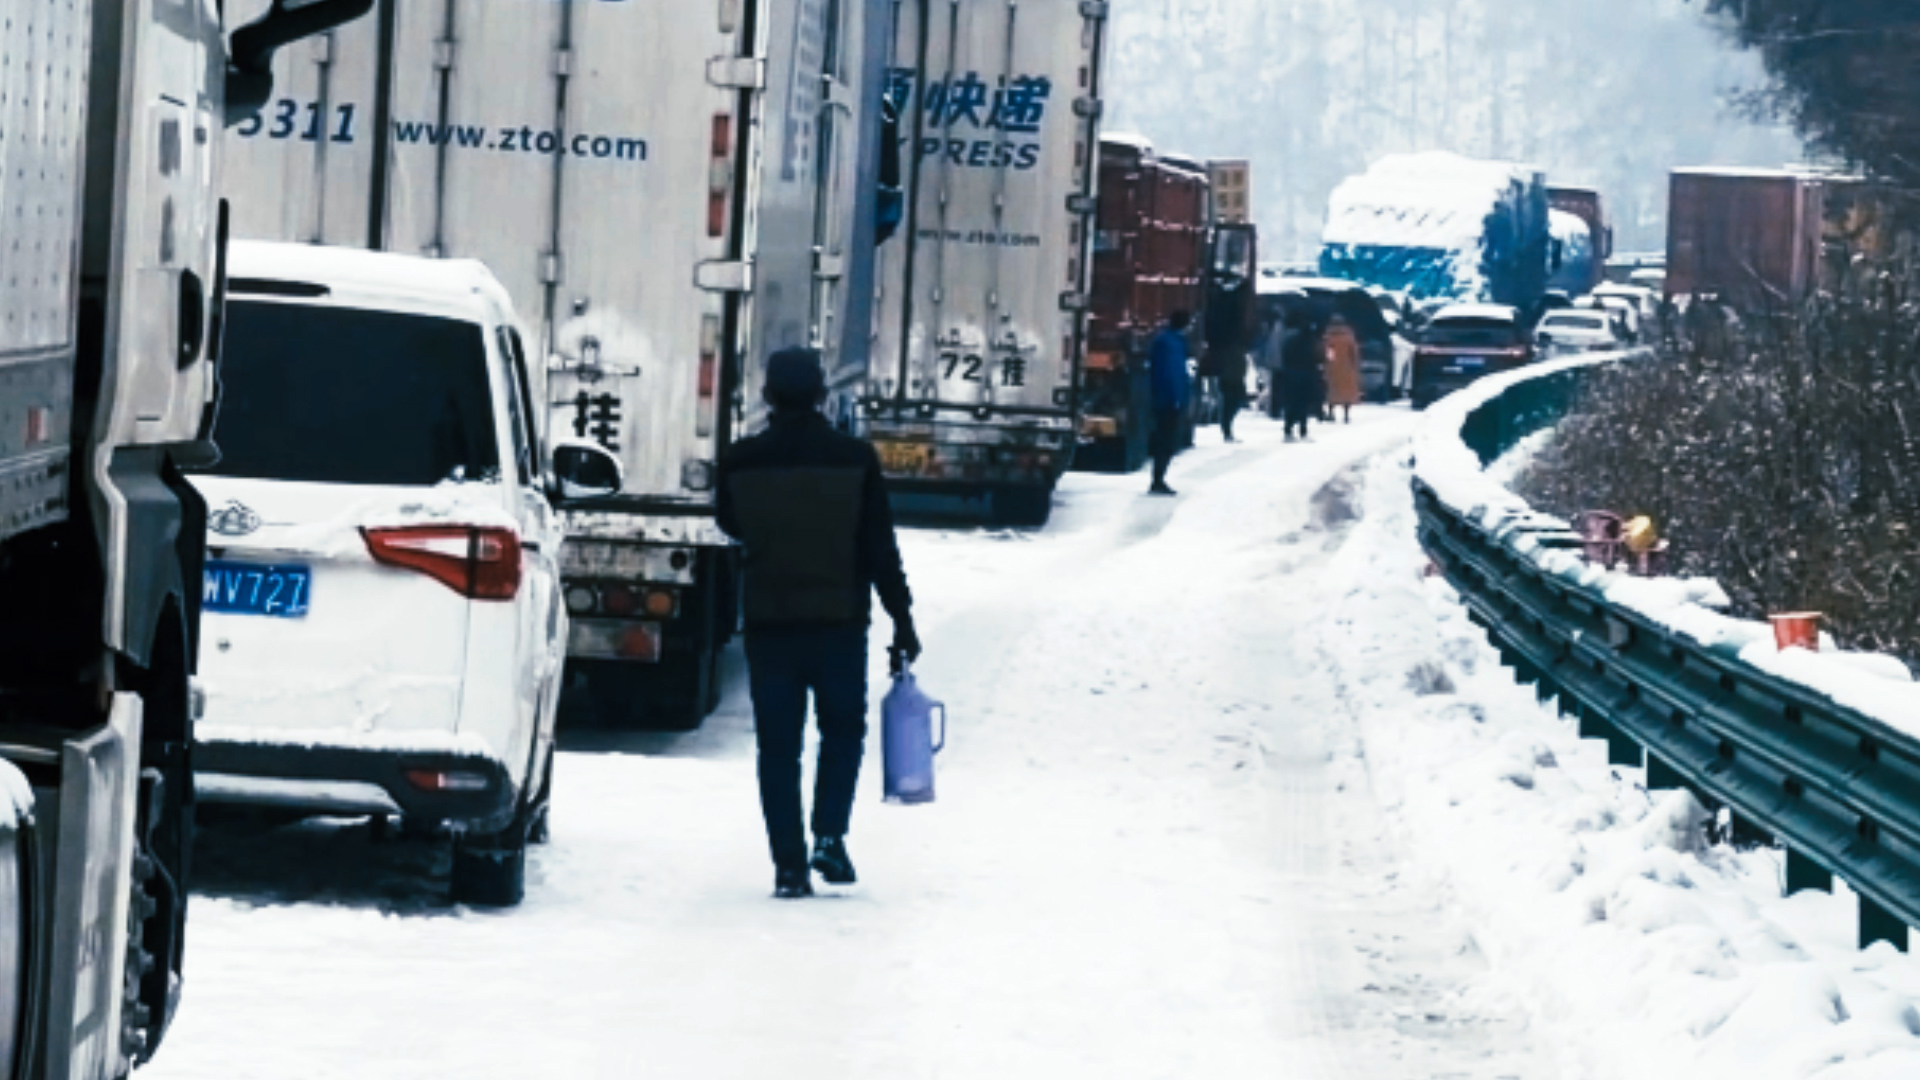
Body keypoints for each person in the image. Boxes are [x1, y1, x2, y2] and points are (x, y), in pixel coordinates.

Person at [716, 348, 920, 900]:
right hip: (840, 624)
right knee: (843, 731)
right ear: (823, 395)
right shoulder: (854, 460)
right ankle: (829, 833)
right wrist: (902, 619)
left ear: (767, 396)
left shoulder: (740, 461)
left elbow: (728, 521)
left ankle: (788, 865)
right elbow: (880, 547)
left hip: (770, 623)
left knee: (779, 749)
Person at [1147, 310, 1191, 495]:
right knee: (1167, 441)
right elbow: (1173, 373)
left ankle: (1158, 478)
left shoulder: (1166, 341)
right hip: (1169, 400)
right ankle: (1158, 479)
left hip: (1164, 398)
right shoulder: (1172, 344)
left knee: (1165, 440)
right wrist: (1177, 399)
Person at [1205, 278, 1253, 441]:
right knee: (1235, 396)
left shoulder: (1222, 306)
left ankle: (1226, 427)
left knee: (1232, 396)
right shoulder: (1235, 312)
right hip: (1230, 364)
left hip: (1228, 362)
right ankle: (1226, 427)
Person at [1323, 314, 1363, 423]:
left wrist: (1328, 363)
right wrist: (1355, 365)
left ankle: (1331, 413)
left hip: (1333, 367)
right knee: (1346, 392)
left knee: (1332, 391)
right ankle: (1346, 415)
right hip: (1347, 368)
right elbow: (1354, 353)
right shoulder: (1348, 336)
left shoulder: (1328, 337)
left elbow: (1327, 353)